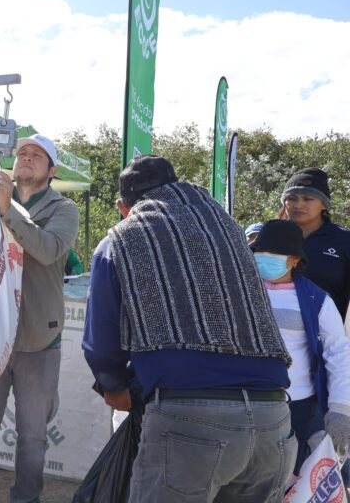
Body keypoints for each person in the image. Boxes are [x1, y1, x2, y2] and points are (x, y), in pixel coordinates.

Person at [83, 155, 295, 502]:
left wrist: (112, 385)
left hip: (190, 421)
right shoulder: (228, 229)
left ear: (124, 207)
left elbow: (101, 336)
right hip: (274, 417)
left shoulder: (122, 238)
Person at [0, 133, 79, 503]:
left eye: (37, 155)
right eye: (22, 152)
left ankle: (25, 499)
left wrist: (8, 209)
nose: (26, 157)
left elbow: (49, 250)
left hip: (38, 338)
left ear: (51, 170)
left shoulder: (63, 209)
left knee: (32, 436)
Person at [250, 219, 350, 474]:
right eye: (260, 254)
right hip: (244, 402)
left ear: (295, 259)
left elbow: (338, 351)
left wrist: (341, 408)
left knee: (289, 479)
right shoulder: (239, 292)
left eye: (274, 255)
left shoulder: (317, 300)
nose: (264, 260)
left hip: (296, 406)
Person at [280, 168, 350, 320]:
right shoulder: (270, 236)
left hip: (330, 337)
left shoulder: (344, 241)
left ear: (324, 205)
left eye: (308, 199)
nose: (298, 205)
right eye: (292, 198)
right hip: (277, 337)